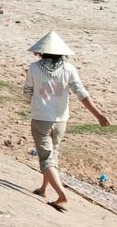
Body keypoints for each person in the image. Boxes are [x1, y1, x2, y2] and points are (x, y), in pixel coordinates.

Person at [23, 31, 109, 213]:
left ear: (41, 52)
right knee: (53, 155)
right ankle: (44, 189)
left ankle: (61, 195)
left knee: (46, 158)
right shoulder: (69, 69)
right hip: (61, 120)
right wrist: (98, 115)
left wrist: (34, 102)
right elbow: (81, 94)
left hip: (41, 118)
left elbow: (27, 93)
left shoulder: (34, 68)